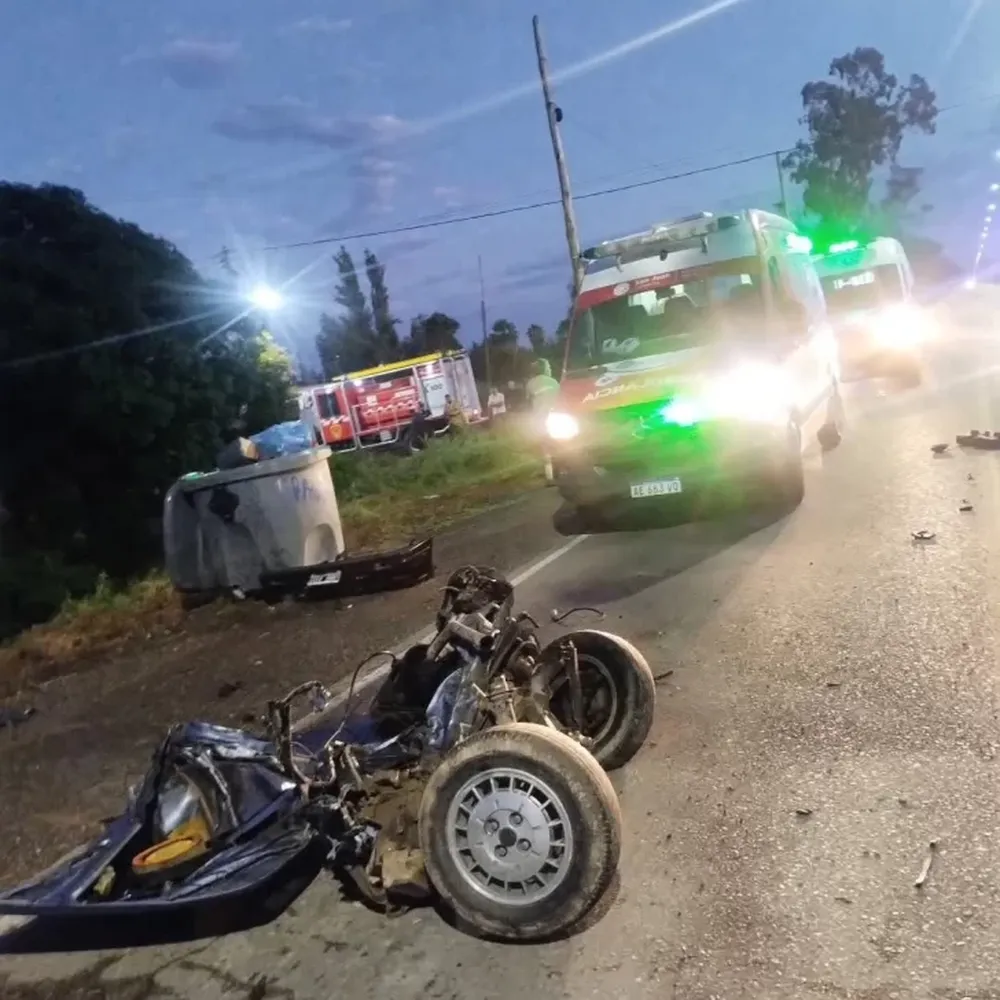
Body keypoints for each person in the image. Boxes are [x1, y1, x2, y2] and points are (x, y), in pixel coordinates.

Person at [525, 359, 560, 483]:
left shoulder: (530, 384)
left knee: (545, 449)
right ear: (545, 368)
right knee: (561, 445)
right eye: (549, 367)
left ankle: (549, 476)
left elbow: (528, 403)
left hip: (539, 420)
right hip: (557, 418)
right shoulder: (554, 382)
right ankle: (563, 470)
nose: (550, 369)